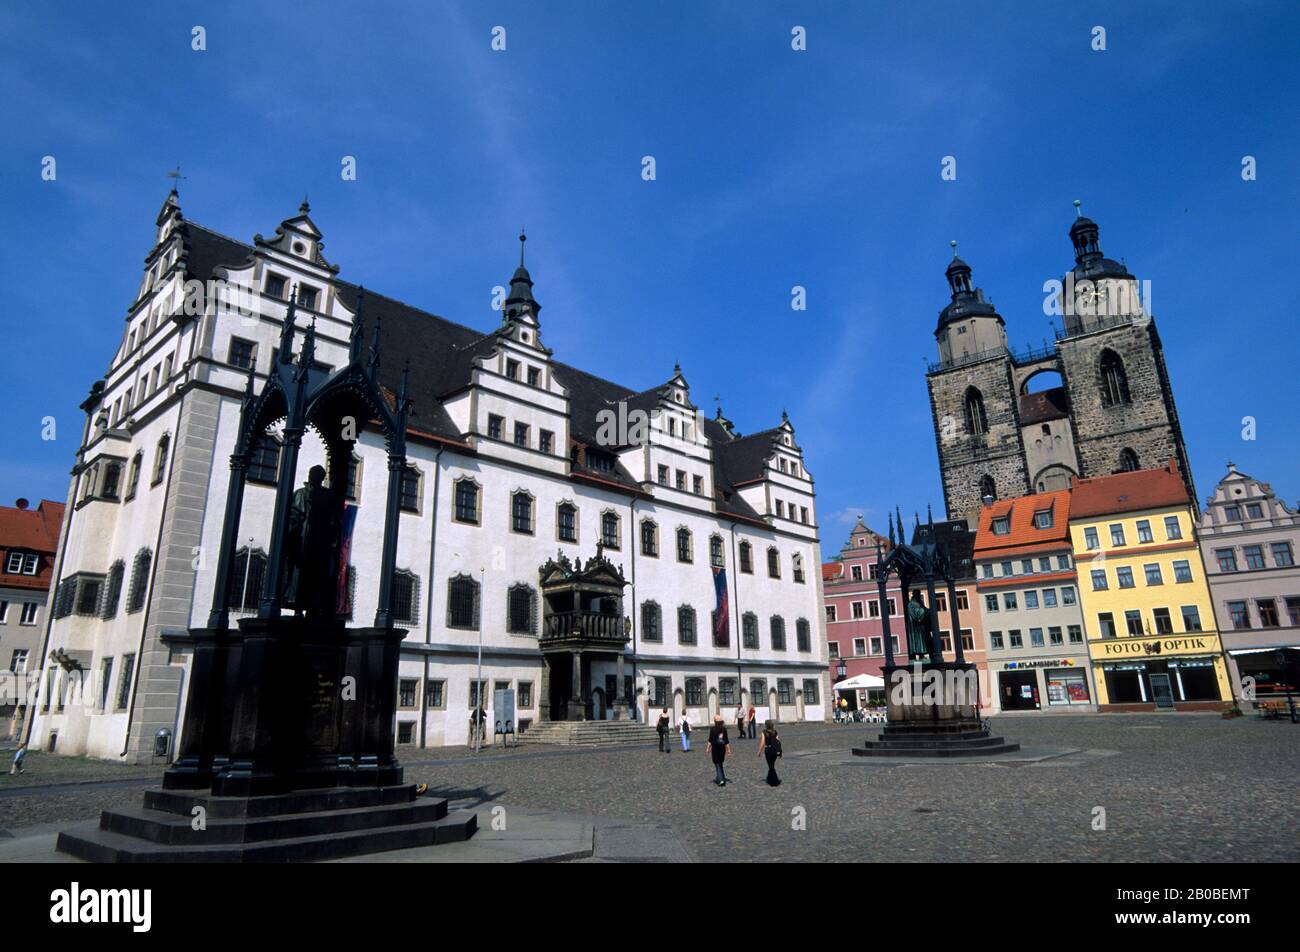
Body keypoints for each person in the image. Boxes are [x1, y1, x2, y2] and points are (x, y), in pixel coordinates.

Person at [706, 715, 731, 786]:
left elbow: (710, 740)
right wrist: (728, 750)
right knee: (720, 763)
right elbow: (726, 741)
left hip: (715, 749)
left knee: (717, 763)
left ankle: (720, 780)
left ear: (715, 722)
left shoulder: (713, 729)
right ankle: (721, 777)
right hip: (722, 749)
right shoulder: (724, 729)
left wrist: (708, 748)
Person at [758, 720, 782, 786]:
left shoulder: (764, 732)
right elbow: (777, 742)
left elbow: (762, 742)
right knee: (771, 765)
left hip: (768, 750)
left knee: (771, 766)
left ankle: (774, 781)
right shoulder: (775, 732)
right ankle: (769, 778)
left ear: (766, 725)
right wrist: (780, 751)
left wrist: (759, 751)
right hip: (774, 750)